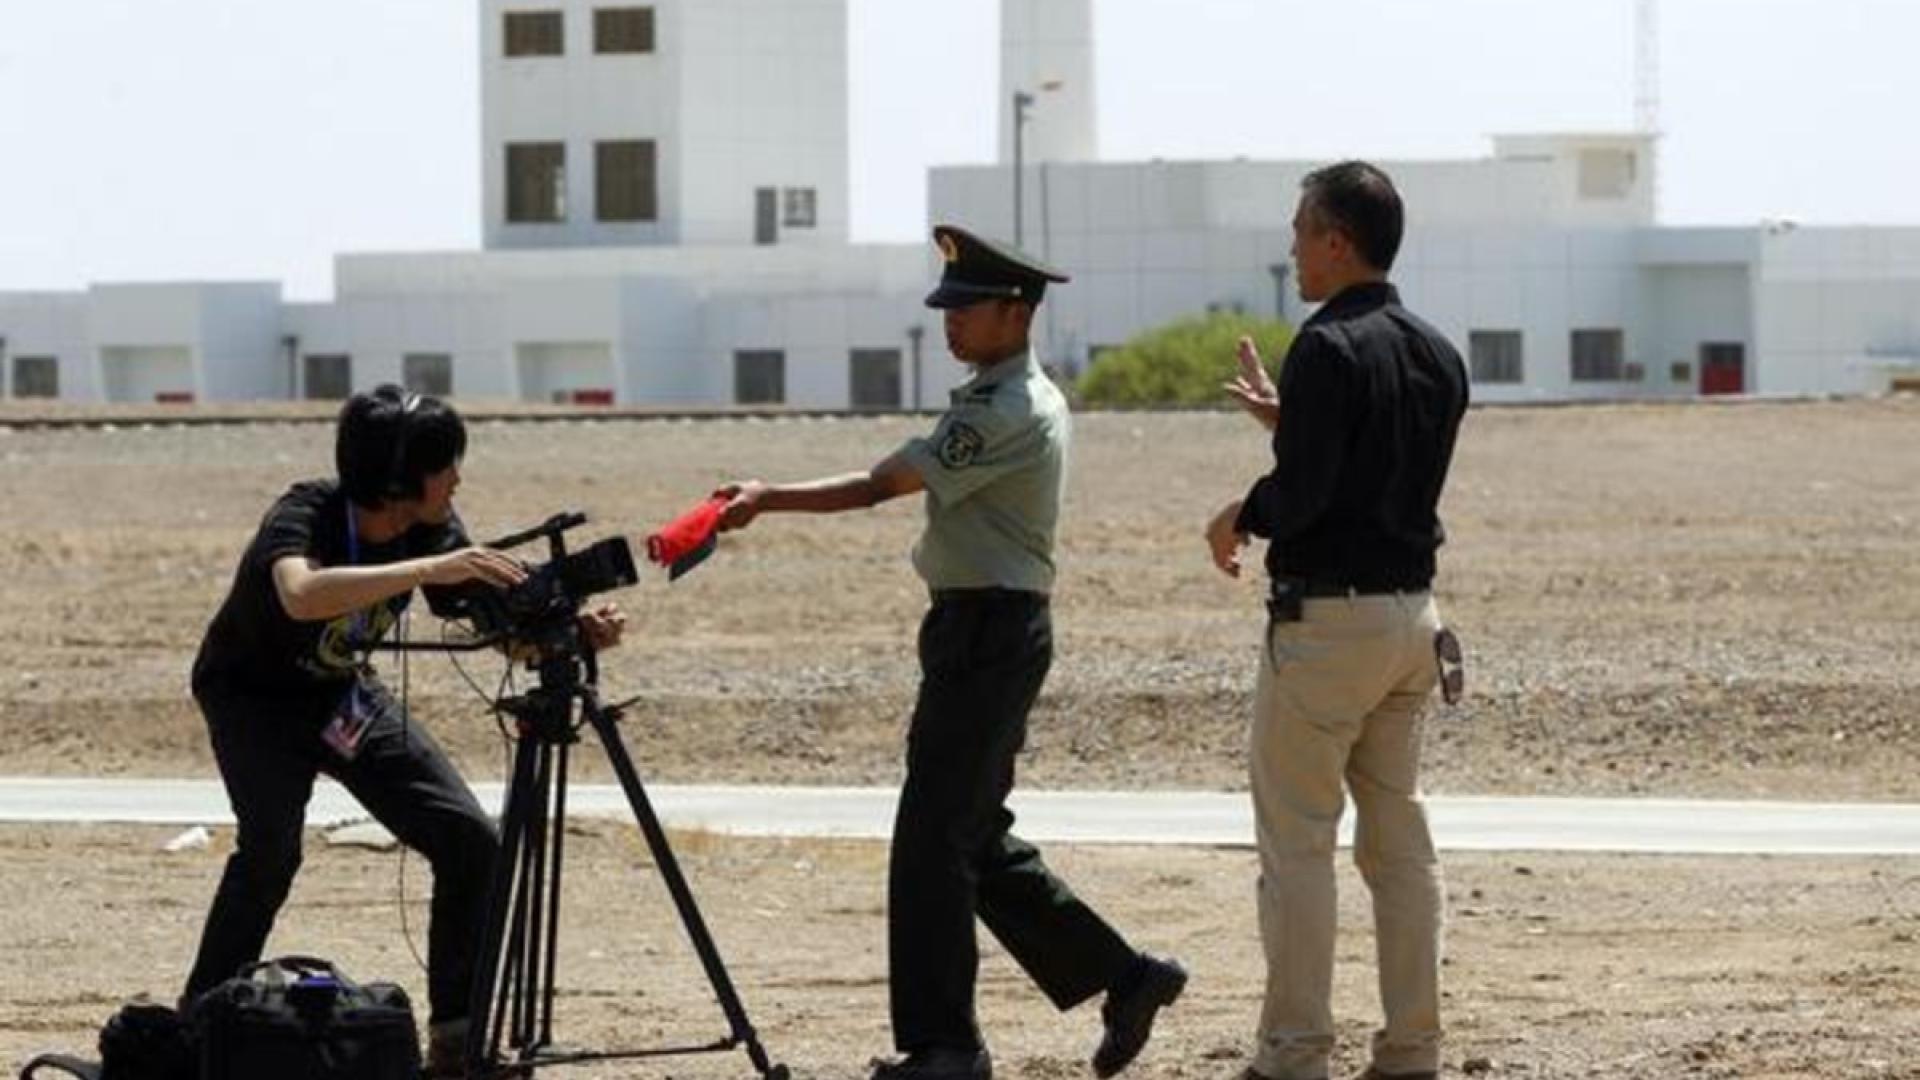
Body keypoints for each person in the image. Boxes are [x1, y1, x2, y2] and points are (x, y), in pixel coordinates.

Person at [715, 225, 1186, 1080]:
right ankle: (1125, 977)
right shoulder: (1006, 395)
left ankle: (948, 1047)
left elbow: (877, 486)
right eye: (948, 308)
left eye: (968, 309)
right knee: (966, 832)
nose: (951, 322)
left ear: (1017, 313)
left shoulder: (1005, 411)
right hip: (984, 628)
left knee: (932, 842)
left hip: (988, 634)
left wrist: (766, 497)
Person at [180, 384, 625, 1077]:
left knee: (471, 842)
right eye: (445, 466)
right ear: (398, 480)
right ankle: (196, 1033)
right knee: (269, 854)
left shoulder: (434, 527)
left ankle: (457, 1040)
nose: (457, 480)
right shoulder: (307, 510)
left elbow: (493, 629)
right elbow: (300, 595)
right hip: (253, 701)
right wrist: (431, 567)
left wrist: (561, 636)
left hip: (341, 697)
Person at [1204, 162, 1469, 1080]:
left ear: (1337, 240)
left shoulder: (1325, 346)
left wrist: (1240, 513)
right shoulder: (1437, 351)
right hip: (1413, 620)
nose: (1292, 249)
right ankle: (1412, 1049)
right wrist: (1292, 422)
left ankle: (1295, 1052)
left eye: (1300, 231)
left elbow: (1308, 494)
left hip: (1327, 630)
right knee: (1401, 848)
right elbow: (1372, 464)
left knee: (1299, 847)